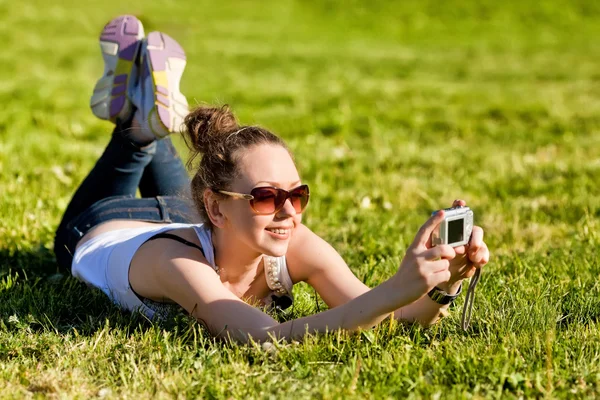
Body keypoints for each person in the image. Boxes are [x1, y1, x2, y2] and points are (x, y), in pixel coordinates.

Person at [54, 15, 489, 344]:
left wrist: (444, 281)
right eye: (266, 197)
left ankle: (141, 106)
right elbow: (265, 339)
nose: (288, 212)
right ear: (215, 207)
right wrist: (395, 288)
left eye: (297, 195)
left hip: (200, 218)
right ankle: (138, 126)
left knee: (178, 150)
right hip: (108, 225)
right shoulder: (175, 264)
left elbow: (388, 319)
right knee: (135, 141)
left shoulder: (283, 236)